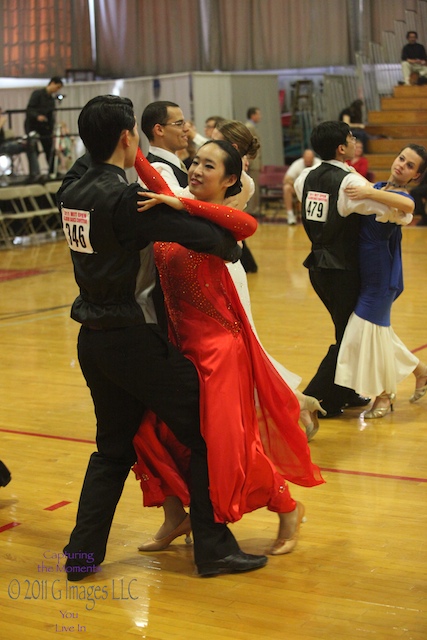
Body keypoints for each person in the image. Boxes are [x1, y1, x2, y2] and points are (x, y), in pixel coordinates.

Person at [58, 94, 268, 580]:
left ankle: (82, 556)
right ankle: (214, 550)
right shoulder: (126, 199)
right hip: (133, 341)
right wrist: (219, 233)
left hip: (92, 342)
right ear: (130, 138)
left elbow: (92, 158)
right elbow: (215, 241)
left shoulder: (72, 188)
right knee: (207, 434)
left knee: (111, 450)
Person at [132, 140, 324, 558]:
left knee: (225, 445)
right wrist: (128, 145)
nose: (197, 170)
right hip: (179, 346)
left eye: (209, 166)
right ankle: (175, 514)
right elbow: (145, 170)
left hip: (221, 350)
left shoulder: (222, 221)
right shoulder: (178, 202)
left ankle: (288, 507)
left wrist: (184, 206)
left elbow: (247, 225)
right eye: (195, 162)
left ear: (231, 179)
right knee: (150, 429)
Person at [294, 121, 411, 418]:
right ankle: (315, 400)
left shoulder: (305, 177)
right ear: (341, 148)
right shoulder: (350, 181)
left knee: (345, 330)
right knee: (348, 337)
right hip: (342, 269)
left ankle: (344, 393)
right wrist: (401, 211)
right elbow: (389, 212)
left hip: (317, 266)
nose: (355, 142)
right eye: (351, 138)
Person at [335, 145, 427, 417]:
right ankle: (420, 371)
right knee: (376, 335)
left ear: (416, 176)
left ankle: (385, 396)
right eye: (401, 158)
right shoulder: (379, 186)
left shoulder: (399, 196)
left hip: (382, 278)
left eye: (410, 165)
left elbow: (410, 205)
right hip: (367, 274)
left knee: (362, 335)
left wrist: (366, 191)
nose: (401, 165)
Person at [141, 101, 190, 194]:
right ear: (159, 130)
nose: (186, 128)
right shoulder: (158, 168)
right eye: (179, 124)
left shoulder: (172, 162)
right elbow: (181, 200)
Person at [25, 76, 64, 174]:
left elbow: (51, 116)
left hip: (44, 127)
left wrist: (51, 129)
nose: (57, 90)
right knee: (33, 149)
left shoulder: (51, 100)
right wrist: (37, 116)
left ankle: (52, 171)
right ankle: (34, 173)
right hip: (32, 125)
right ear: (52, 83)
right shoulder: (37, 94)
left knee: (49, 148)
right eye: (57, 87)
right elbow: (29, 109)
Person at [0, 107, 40, 180]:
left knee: (29, 144)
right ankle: (35, 174)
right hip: (2, 147)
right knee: (28, 145)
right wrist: (1, 122)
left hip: (6, 144)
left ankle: (35, 174)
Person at [283, 150, 321, 225]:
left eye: (310, 160)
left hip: (315, 190)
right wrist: (296, 185)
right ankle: (290, 215)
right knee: (287, 188)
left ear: (313, 158)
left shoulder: (319, 163)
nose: (308, 162)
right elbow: (286, 179)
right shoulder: (297, 164)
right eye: (306, 160)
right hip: (299, 189)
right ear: (303, 158)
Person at [245, 107, 263, 215]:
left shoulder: (252, 127)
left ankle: (254, 208)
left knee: (255, 186)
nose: (260, 117)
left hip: (255, 160)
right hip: (253, 161)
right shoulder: (249, 127)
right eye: (258, 114)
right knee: (253, 186)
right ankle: (252, 209)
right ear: (253, 115)